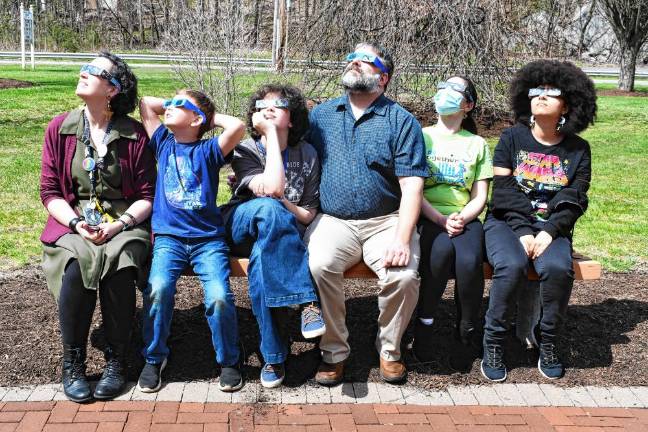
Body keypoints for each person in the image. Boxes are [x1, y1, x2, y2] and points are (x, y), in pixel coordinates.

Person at [306, 42, 429, 385]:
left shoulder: (401, 121)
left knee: (403, 276)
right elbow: (294, 158)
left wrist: (403, 238)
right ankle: (334, 351)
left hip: (386, 221)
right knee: (320, 264)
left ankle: (389, 350)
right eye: (351, 58)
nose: (355, 63)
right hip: (333, 220)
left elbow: (412, 187)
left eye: (366, 60)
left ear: (384, 77)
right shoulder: (321, 117)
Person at [40, 52, 156, 402]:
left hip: (125, 221)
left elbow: (148, 195)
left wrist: (119, 225)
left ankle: (117, 361)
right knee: (75, 266)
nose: (83, 72)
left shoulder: (134, 134)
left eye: (94, 70)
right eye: (85, 67)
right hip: (74, 219)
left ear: (113, 89)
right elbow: (49, 191)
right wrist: (76, 222)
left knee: (119, 265)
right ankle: (73, 362)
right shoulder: (60, 128)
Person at [480, 60, 596, 382]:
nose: (541, 96)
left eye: (551, 92)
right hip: (505, 223)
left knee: (558, 268)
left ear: (568, 105)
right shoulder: (511, 138)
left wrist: (548, 230)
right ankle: (493, 343)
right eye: (536, 91)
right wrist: (521, 229)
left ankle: (549, 342)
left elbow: (576, 198)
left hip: (551, 228)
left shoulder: (578, 150)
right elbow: (501, 191)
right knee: (511, 266)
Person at [137, 90, 246, 392]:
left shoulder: (210, 150)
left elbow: (236, 126)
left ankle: (228, 360)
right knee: (158, 289)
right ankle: (154, 357)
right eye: (169, 102)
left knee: (219, 297)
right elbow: (146, 103)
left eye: (178, 105)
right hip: (169, 239)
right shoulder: (162, 143)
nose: (169, 107)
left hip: (207, 241)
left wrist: (205, 118)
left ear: (197, 119)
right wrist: (178, 104)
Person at [221, 84, 326, 388]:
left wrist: (283, 205)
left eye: (278, 105)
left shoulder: (307, 153)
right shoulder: (247, 149)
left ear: (292, 118)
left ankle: (273, 356)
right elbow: (271, 189)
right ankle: (307, 301)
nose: (268, 109)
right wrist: (269, 137)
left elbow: (307, 214)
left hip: (277, 237)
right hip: (241, 222)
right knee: (268, 209)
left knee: (262, 265)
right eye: (261, 106)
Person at [413, 76, 492, 369]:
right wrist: (438, 217)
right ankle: (424, 325)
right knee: (440, 253)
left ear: (468, 105)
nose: (444, 93)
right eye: (441, 87)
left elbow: (480, 195)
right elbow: (412, 188)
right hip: (428, 215)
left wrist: (462, 217)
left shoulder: (477, 144)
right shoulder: (421, 136)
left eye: (454, 90)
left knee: (470, 261)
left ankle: (466, 329)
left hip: (465, 217)